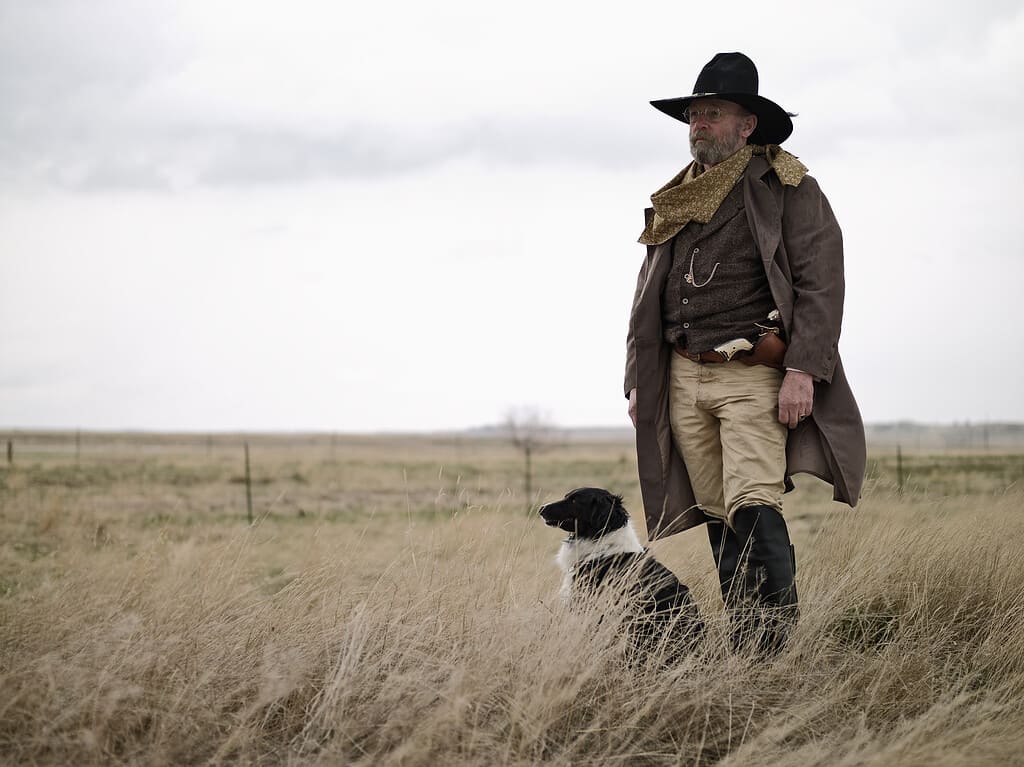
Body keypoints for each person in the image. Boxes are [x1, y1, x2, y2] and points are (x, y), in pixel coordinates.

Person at [624, 52, 866, 654]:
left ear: (747, 124)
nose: (698, 124)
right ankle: (744, 644)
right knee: (716, 512)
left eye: (712, 113)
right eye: (693, 115)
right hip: (682, 374)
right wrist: (638, 380)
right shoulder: (676, 196)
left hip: (753, 370)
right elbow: (644, 293)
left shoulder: (789, 187)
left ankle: (772, 649)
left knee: (753, 503)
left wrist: (804, 369)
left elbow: (820, 284)